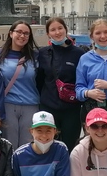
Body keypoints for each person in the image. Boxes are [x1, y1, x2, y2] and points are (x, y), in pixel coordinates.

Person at [36, 17, 86, 152]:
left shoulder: (79, 53)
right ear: (48, 34)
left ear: (66, 30)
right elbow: (39, 80)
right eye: (53, 30)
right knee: (48, 146)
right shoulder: (43, 53)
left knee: (70, 147)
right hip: (49, 106)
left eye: (60, 28)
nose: (57, 32)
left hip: (72, 108)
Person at [0, 20, 40, 148]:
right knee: (9, 144)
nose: (22, 36)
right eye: (19, 32)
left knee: (28, 144)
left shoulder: (36, 56)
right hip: (8, 105)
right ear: (11, 34)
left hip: (31, 105)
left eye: (26, 33)